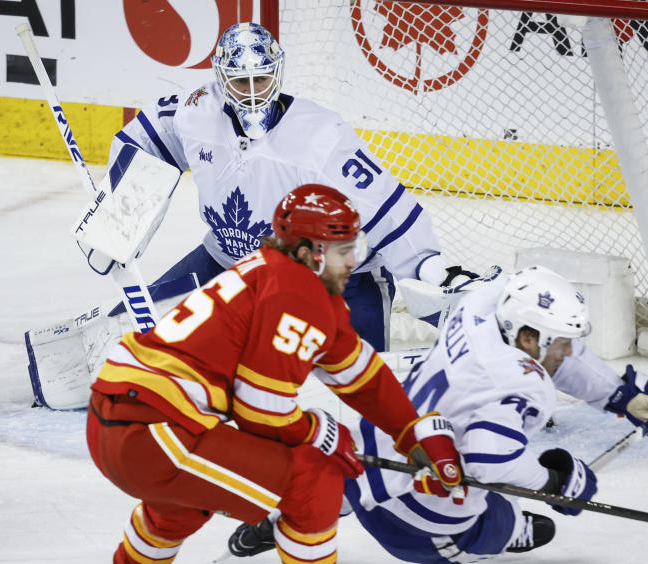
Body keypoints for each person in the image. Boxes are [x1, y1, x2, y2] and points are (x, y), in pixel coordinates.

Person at [85, 184, 466, 564]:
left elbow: (361, 374)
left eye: (356, 246)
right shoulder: (298, 291)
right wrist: (320, 430)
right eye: (344, 249)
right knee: (315, 473)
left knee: (194, 490)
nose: (354, 261)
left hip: (123, 424)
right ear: (309, 252)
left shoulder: (277, 275)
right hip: (154, 433)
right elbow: (261, 411)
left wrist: (414, 433)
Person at [228, 265, 648, 564]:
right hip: (415, 521)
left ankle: (280, 522)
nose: (569, 352)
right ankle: (506, 529)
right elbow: (491, 462)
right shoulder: (516, 383)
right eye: (560, 342)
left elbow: (548, 344)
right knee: (492, 516)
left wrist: (621, 396)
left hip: (373, 447)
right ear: (528, 337)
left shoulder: (483, 302)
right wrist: (556, 484)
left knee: (358, 469)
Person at [101, 21, 477, 352]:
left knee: (347, 384)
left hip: (338, 281)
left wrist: (433, 269)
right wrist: (116, 214)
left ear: (276, 74)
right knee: (123, 338)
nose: (251, 92)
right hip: (226, 262)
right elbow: (147, 136)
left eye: (260, 79)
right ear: (220, 78)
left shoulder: (322, 137)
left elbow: (386, 211)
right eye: (239, 81)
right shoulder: (196, 111)